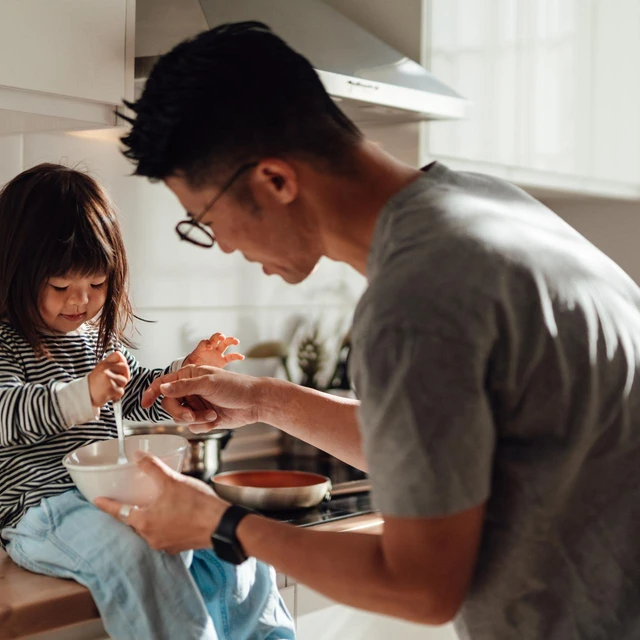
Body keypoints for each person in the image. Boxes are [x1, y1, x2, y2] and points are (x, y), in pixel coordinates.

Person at [97, 21, 640, 640]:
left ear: (275, 180)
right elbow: (443, 443)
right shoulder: (489, 208)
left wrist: (220, 524)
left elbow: (419, 586)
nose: (220, 245)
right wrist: (260, 399)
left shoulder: (418, 296)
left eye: (206, 219)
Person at [0, 164, 295, 640]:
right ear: (14, 270)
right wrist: (84, 394)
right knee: (135, 554)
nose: (80, 302)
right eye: (60, 287)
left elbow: (137, 391)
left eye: (96, 285)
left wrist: (180, 381)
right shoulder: (6, 343)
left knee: (226, 536)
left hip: (114, 498)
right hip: (42, 510)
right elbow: (6, 412)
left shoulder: (94, 337)